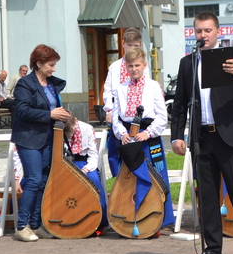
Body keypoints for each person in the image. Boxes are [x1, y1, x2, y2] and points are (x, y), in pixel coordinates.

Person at [171, 12, 233, 254]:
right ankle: (212, 252)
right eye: (199, 31)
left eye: (208, 30)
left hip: (229, 137)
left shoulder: (231, 59)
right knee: (208, 198)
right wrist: (177, 135)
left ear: (217, 32)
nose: (203, 35)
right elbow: (180, 103)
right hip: (202, 138)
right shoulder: (187, 63)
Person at [11, 44, 70, 241]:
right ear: (38, 63)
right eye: (51, 65)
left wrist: (61, 115)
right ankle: (21, 226)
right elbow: (22, 111)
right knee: (34, 179)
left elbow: (54, 106)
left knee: (43, 180)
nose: (54, 69)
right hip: (28, 139)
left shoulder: (52, 84)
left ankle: (36, 225)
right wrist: (50, 114)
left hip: (48, 138)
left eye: (54, 65)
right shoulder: (25, 84)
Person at [112, 47, 174, 231]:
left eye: (137, 65)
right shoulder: (120, 89)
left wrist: (148, 133)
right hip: (129, 139)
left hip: (149, 138)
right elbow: (115, 117)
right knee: (130, 180)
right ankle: (133, 217)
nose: (134, 69)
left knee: (155, 177)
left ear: (144, 65)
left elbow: (162, 117)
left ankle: (159, 218)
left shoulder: (153, 86)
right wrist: (122, 133)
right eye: (130, 66)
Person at [102, 27, 151, 177]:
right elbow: (108, 90)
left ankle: (139, 177)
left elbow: (147, 86)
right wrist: (109, 110)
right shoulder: (115, 66)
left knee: (137, 150)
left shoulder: (142, 66)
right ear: (123, 44)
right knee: (117, 150)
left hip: (137, 115)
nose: (132, 49)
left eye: (136, 46)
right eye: (130, 45)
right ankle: (120, 180)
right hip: (119, 113)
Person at [64, 113, 107, 236]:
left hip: (84, 162)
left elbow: (93, 155)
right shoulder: (58, 130)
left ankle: (99, 221)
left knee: (94, 181)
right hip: (65, 162)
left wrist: (86, 169)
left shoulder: (86, 128)